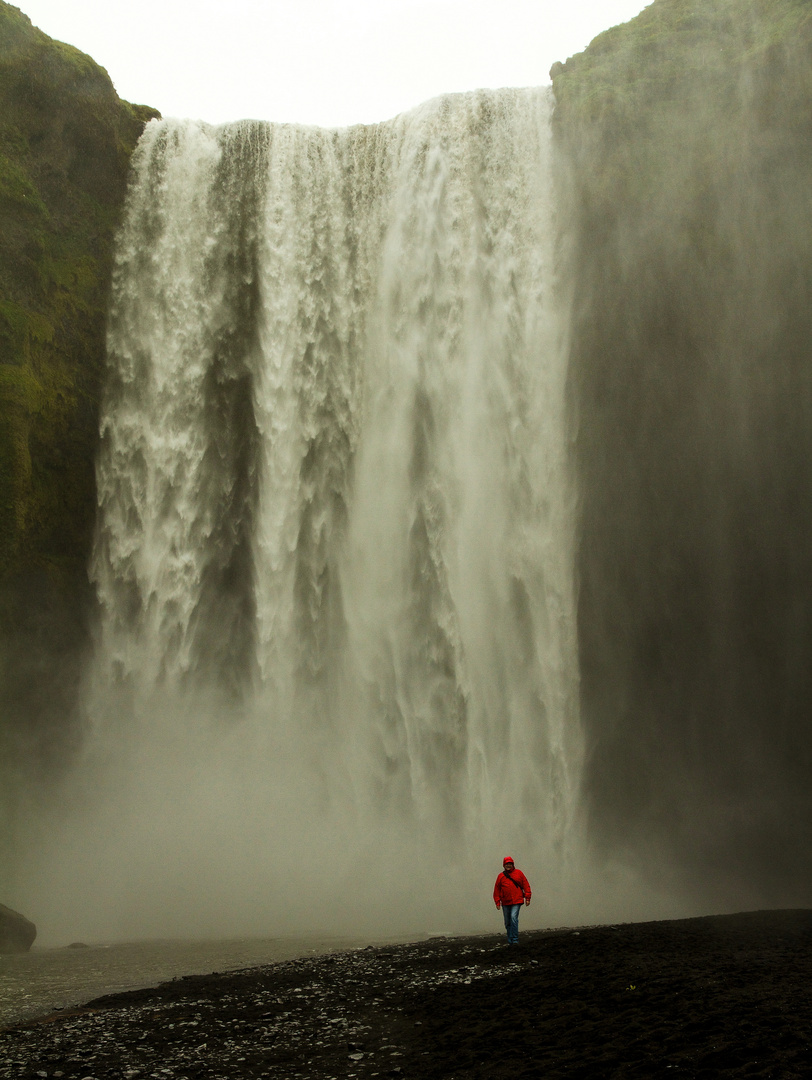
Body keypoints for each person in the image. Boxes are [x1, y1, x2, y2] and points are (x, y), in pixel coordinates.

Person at [493, 855, 531, 945]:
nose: (508, 866)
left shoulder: (519, 873)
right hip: (505, 902)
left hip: (517, 900)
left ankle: (515, 939)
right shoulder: (500, 876)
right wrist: (497, 902)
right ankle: (510, 939)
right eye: (507, 864)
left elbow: (526, 885)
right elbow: (496, 889)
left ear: (513, 864)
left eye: (510, 864)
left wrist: (528, 898)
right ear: (504, 865)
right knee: (507, 921)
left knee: (513, 918)